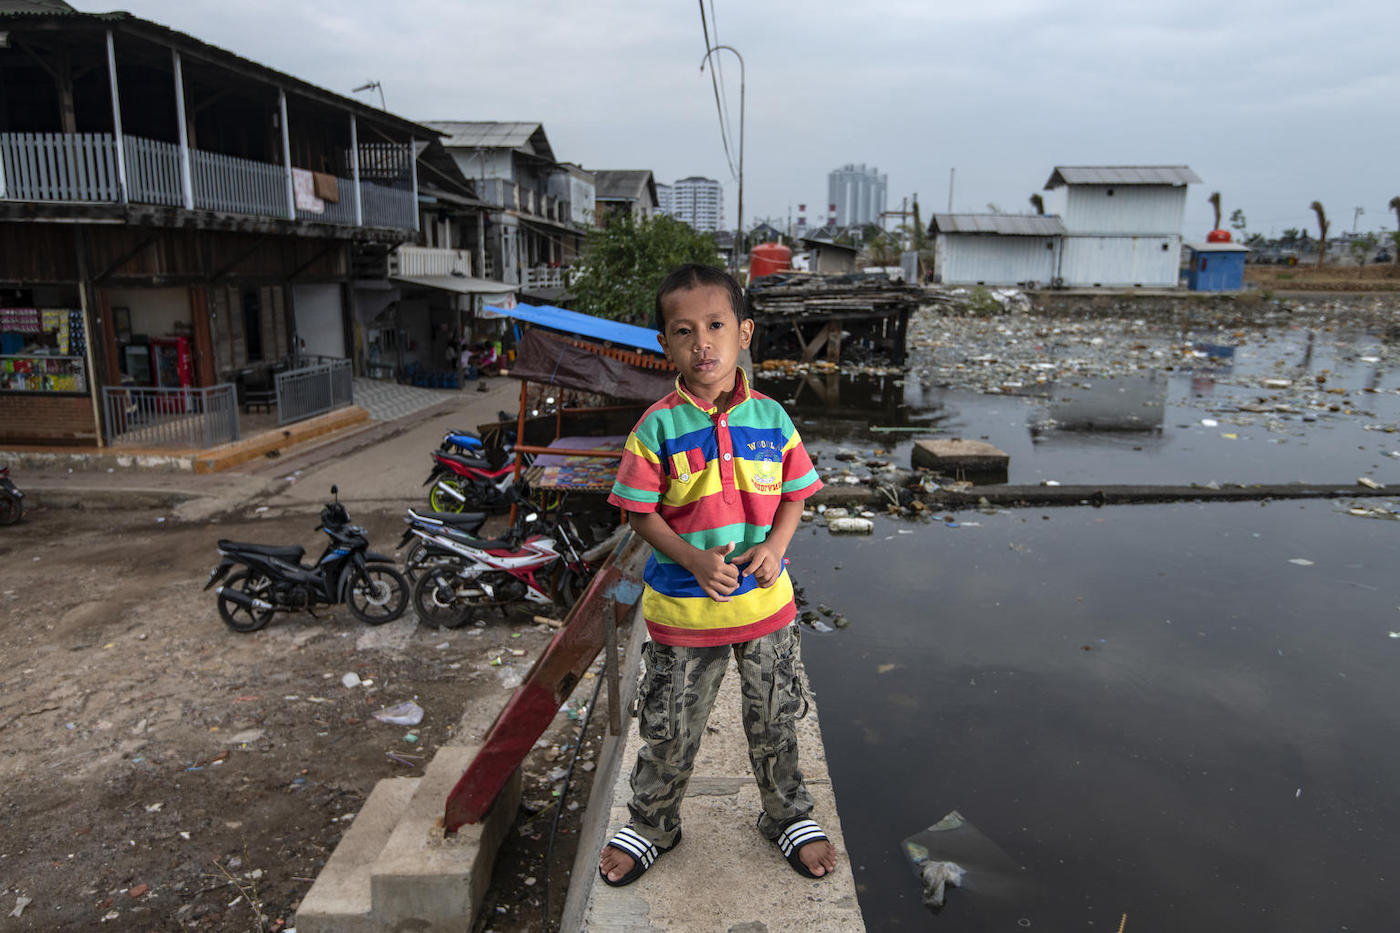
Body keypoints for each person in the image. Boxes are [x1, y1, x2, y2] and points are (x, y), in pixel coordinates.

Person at [598, 263, 839, 887]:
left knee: (776, 717)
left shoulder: (773, 418)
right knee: (671, 725)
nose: (702, 343)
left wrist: (776, 548)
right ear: (665, 345)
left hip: (765, 609)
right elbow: (639, 514)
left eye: (716, 326)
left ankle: (786, 815)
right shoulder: (656, 428)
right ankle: (653, 824)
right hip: (684, 612)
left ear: (745, 333)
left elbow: (795, 496)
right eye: (684, 331)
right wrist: (693, 559)